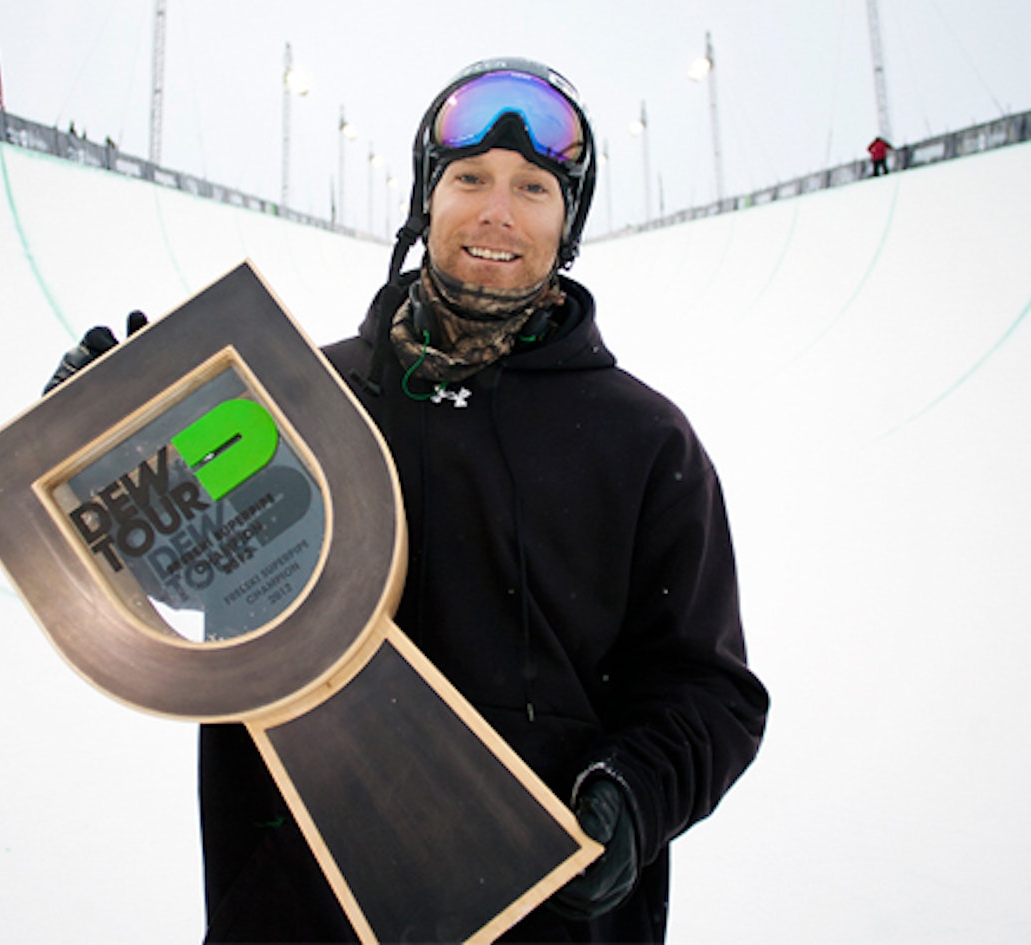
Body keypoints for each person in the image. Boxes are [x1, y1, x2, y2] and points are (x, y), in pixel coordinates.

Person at [48, 58, 768, 944]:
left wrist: (635, 791)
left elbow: (709, 689)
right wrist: (105, 453)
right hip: (297, 904)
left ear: (568, 222)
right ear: (428, 200)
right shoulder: (296, 398)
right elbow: (183, 572)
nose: (497, 211)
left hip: (537, 911)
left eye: (533, 188)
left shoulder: (644, 442)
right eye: (469, 179)